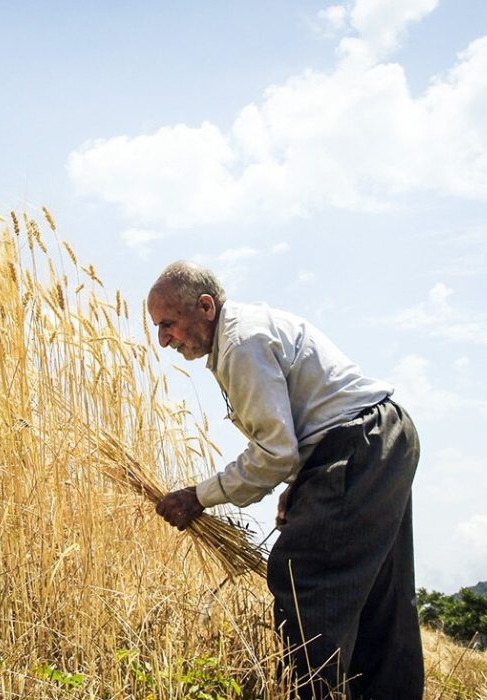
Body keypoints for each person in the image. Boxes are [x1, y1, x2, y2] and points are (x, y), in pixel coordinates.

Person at [150, 260, 423, 700]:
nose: (162, 339)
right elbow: (302, 432)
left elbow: (274, 452)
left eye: (168, 324)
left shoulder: (240, 344)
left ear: (204, 307)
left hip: (359, 446)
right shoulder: (244, 334)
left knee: (303, 577)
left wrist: (197, 497)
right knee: (378, 595)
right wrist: (300, 486)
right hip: (379, 440)